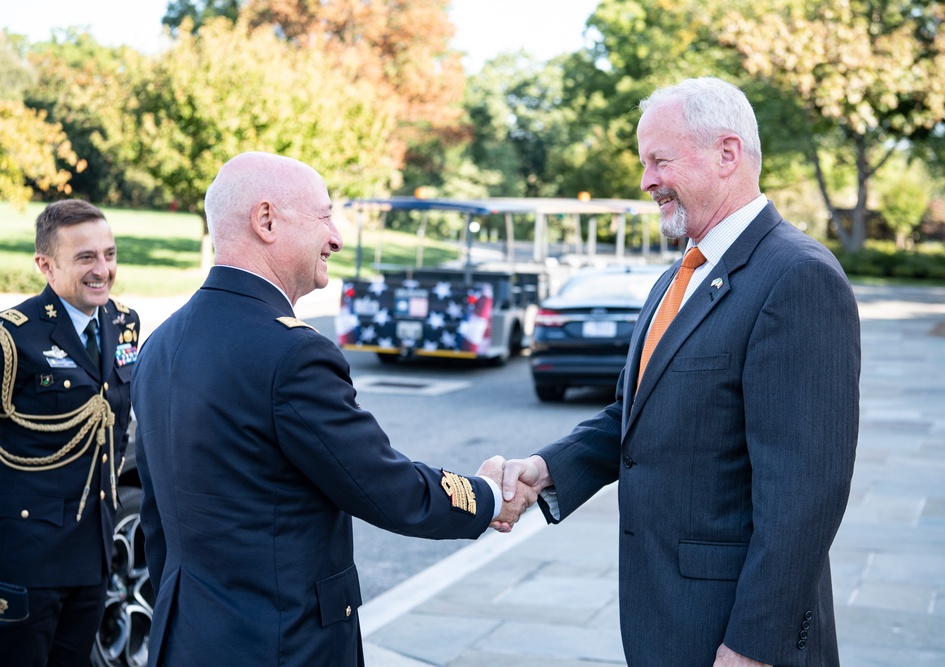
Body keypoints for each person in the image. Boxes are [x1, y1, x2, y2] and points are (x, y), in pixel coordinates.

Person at [500, 77, 861, 666]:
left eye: (659, 161)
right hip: (667, 622)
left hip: (733, 638)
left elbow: (805, 495)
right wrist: (544, 470)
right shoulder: (676, 278)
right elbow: (633, 416)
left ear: (727, 154)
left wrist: (752, 646)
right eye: (645, 164)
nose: (646, 182)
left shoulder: (798, 278)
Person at [129, 151, 534, 667]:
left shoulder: (160, 343)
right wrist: (487, 497)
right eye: (323, 216)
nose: (337, 236)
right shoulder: (290, 351)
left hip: (185, 640)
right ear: (266, 220)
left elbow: (158, 523)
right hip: (281, 645)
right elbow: (384, 488)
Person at [0, 200, 140, 666]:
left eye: (110, 254)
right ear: (46, 265)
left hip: (93, 556)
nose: (103, 269)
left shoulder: (123, 324)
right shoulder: (14, 339)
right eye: (86, 258)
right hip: (27, 561)